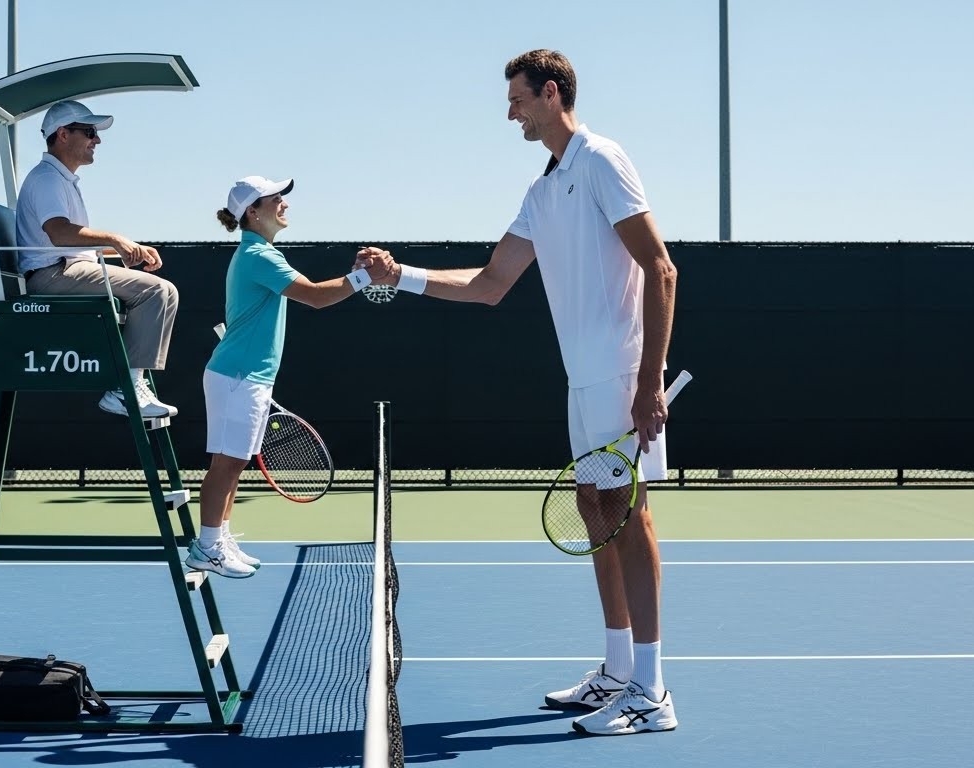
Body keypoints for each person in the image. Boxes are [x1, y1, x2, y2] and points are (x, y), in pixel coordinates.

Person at [356, 49, 680, 735]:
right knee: (594, 506)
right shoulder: (542, 192)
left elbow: (660, 267)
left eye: (518, 100)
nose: (511, 113)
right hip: (582, 378)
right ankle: (617, 671)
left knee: (628, 514)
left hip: (620, 372)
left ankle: (651, 692)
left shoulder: (599, 158)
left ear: (551, 92)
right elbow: (488, 283)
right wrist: (398, 275)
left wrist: (649, 378)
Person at [187, 176, 378, 579]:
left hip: (248, 376)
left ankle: (219, 538)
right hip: (239, 375)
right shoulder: (259, 255)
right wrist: (363, 278)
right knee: (225, 465)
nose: (284, 203)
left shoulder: (260, 252)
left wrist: (356, 274)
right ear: (253, 212)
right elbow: (315, 296)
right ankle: (206, 546)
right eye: (276, 198)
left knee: (234, 464)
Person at [15, 99, 179, 419]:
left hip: (64, 269)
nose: (97, 140)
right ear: (63, 134)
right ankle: (126, 391)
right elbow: (60, 233)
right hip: (54, 275)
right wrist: (116, 240)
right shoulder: (48, 179)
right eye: (90, 132)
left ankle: (130, 384)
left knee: (158, 291)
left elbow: (64, 240)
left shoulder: (57, 178)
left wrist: (123, 249)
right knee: (159, 291)